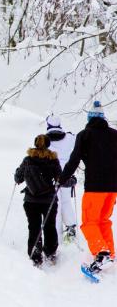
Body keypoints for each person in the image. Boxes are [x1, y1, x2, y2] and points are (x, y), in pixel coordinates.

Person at [59, 101, 117, 273]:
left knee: (89, 222)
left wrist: (62, 178)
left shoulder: (85, 135)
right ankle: (109, 253)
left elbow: (74, 159)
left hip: (95, 187)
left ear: (90, 118)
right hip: (112, 188)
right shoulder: (115, 135)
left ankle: (101, 253)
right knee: (103, 221)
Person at [14, 134, 62, 266]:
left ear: (35, 144)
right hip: (49, 201)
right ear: (48, 144)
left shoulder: (28, 159)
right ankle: (50, 253)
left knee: (34, 227)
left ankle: (35, 255)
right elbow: (60, 178)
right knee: (50, 226)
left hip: (31, 200)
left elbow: (18, 179)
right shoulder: (53, 160)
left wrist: (18, 172)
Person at [46, 114, 77, 242]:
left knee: (55, 206)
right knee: (66, 202)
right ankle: (70, 229)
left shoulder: (45, 140)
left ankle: (56, 236)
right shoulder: (69, 138)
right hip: (67, 176)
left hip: (51, 177)